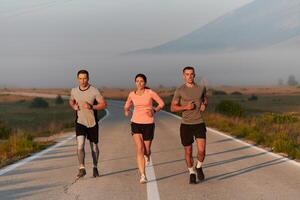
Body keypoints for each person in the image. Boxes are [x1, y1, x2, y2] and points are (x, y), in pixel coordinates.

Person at [124, 73, 165, 184]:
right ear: (135, 82)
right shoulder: (132, 94)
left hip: (148, 124)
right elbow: (127, 104)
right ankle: (143, 175)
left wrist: (154, 110)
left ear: (145, 82)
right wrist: (127, 110)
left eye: (141, 81)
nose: (139, 83)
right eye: (137, 81)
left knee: (146, 150)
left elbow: (161, 103)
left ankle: (147, 155)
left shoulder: (150, 93)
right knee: (139, 148)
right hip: (135, 123)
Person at [170, 66, 208, 184]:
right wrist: (185, 107)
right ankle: (191, 172)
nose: (189, 76)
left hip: (199, 123)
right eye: (187, 74)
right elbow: (172, 107)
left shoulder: (201, 88)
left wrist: (204, 104)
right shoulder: (180, 90)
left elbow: (205, 99)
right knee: (188, 151)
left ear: (194, 75)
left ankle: (199, 166)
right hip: (186, 125)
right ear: (183, 76)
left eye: (191, 74)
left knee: (201, 151)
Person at [69, 69, 107, 178]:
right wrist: (73, 106)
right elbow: (71, 100)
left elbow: (103, 104)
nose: (83, 81)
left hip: (92, 123)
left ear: (88, 78)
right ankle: (82, 168)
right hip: (80, 122)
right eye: (80, 78)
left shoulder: (94, 91)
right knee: (80, 145)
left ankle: (95, 167)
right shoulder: (74, 90)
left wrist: (92, 107)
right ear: (77, 79)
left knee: (94, 147)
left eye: (85, 78)